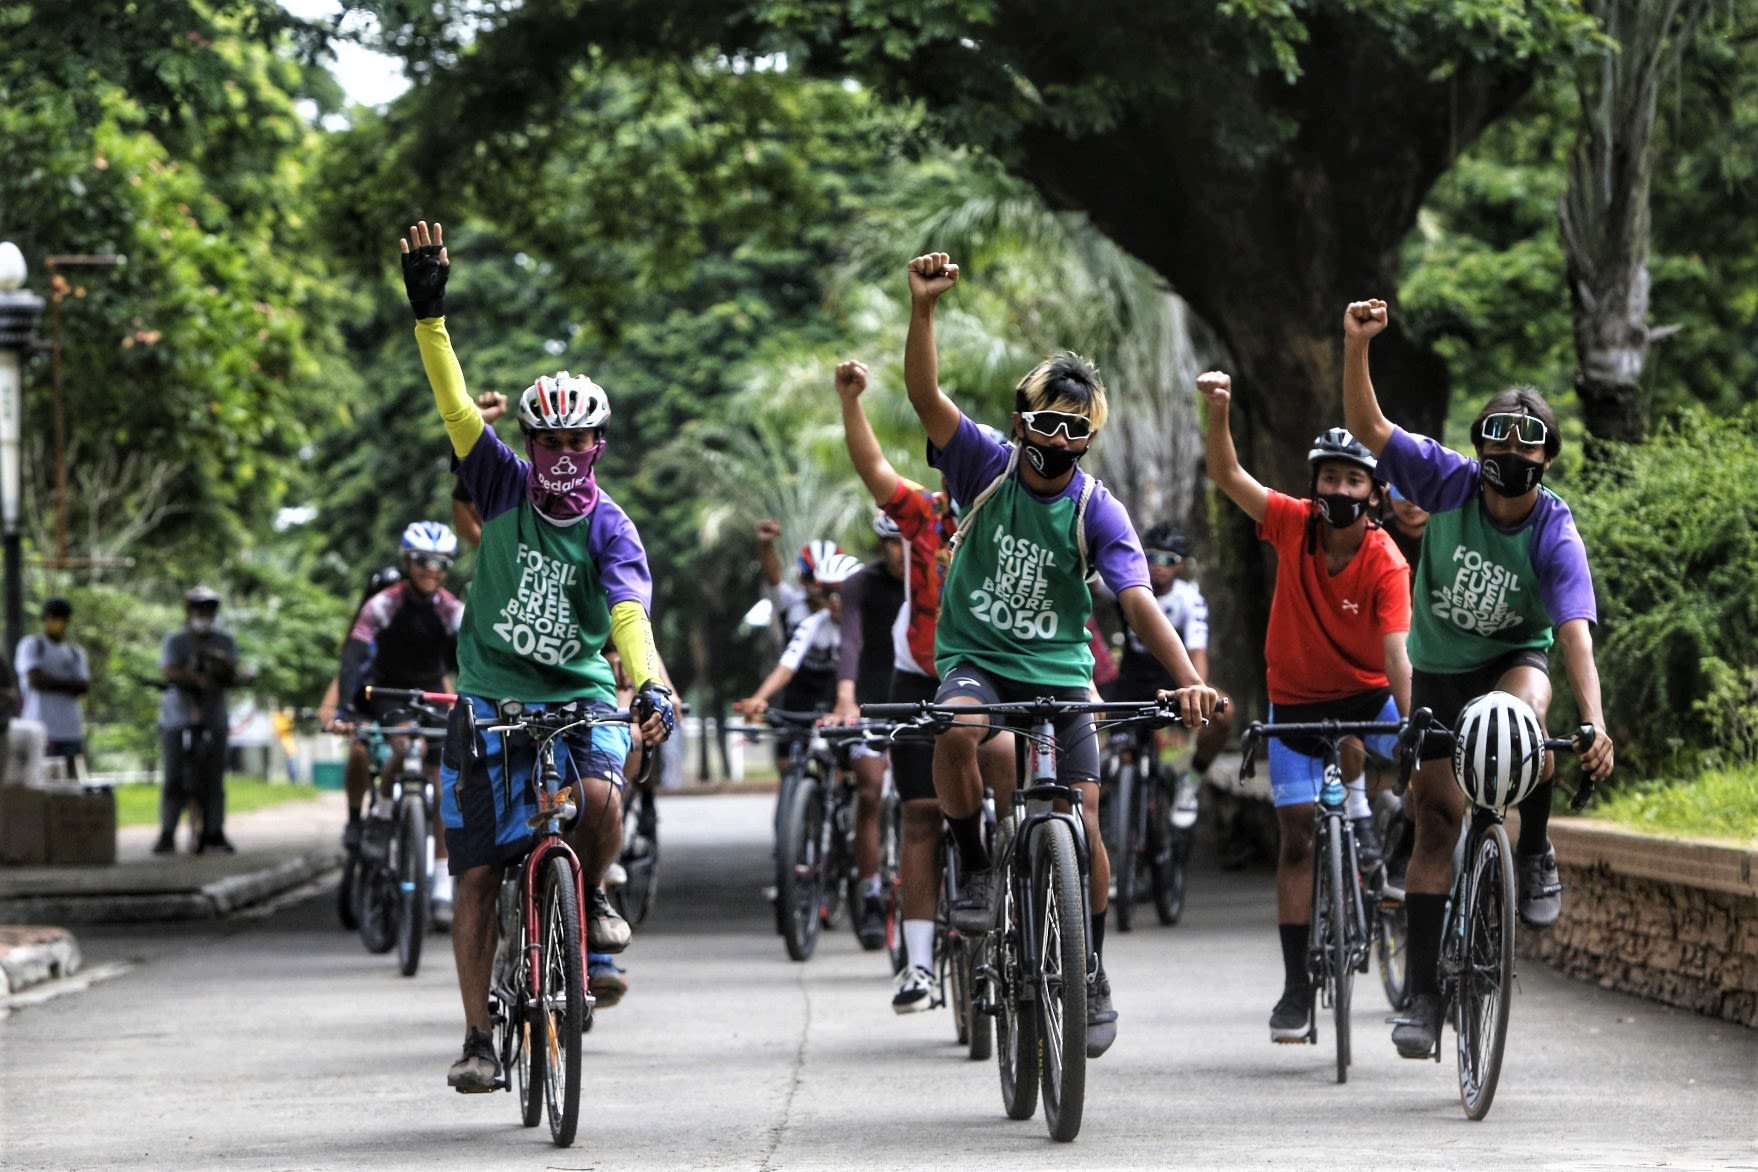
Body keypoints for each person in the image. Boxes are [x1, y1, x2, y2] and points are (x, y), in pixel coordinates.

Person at [903, 250, 1220, 1058]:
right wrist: (924, 309)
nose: (1058, 438)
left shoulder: (1097, 508)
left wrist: (1190, 681)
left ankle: (1091, 969)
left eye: (1075, 429)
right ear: (1021, 422)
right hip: (976, 659)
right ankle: (976, 862)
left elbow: (1137, 600)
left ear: (1089, 439)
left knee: (1085, 819)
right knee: (955, 729)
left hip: (1060, 674)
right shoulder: (982, 465)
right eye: (1046, 422)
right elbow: (926, 398)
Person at [399, 220, 677, 1093]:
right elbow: (454, 406)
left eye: (575, 442)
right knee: (480, 872)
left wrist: (650, 685)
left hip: (579, 695)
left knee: (601, 796)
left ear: (598, 445)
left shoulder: (612, 528)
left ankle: (588, 896)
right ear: (529, 443)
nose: (560, 455)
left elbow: (628, 615)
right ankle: (479, 1038)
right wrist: (430, 316)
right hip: (488, 698)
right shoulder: (499, 484)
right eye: (547, 442)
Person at [1341, 296, 1615, 1059]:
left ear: (1547, 458)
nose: (1511, 454)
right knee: (1436, 822)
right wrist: (1357, 346)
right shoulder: (1449, 482)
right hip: (1438, 671)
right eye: (1499, 437)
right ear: (1479, 445)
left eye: (1529, 443)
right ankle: (1424, 996)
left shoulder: (1553, 528)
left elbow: (1573, 633)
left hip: (1511, 661)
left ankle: (1534, 850)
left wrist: (1594, 721)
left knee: (1524, 717)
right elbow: (1370, 428)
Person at [1198, 371, 1413, 1041]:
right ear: (1314, 485)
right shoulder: (1291, 524)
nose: (1340, 491)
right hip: (1293, 704)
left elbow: (1398, 656)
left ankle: (1386, 840)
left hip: (1368, 698)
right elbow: (1227, 474)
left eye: (1354, 481)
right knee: (1296, 835)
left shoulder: (1387, 561)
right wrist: (1219, 411)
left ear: (1373, 493)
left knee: (1433, 769)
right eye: (1330, 478)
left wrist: (1414, 726)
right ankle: (1296, 988)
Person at [835, 357, 1017, 1012]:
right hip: (920, 675)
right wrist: (851, 402)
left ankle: (1019, 920)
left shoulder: (1017, 515)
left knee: (1009, 780)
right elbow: (873, 470)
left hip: (996, 673)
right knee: (919, 813)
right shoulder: (924, 514)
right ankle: (917, 966)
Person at [333, 521, 466, 926]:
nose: (432, 570)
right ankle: (383, 812)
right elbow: (354, 655)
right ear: (407, 562)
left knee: (446, 787)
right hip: (388, 691)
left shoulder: (450, 609)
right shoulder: (383, 604)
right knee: (408, 745)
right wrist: (345, 709)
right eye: (423, 561)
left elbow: (472, 659)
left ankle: (441, 888)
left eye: (441, 563)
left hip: (432, 692)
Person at [1104, 522, 1235, 829]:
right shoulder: (1123, 585)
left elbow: (1197, 651)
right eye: (1151, 556)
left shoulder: (1189, 599)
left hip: (1174, 684)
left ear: (1180, 565)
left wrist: (1198, 689)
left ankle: (1191, 782)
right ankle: (1117, 816)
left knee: (1225, 713)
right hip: (1131, 686)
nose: (1158, 565)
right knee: (1118, 759)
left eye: (1168, 559)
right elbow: (1088, 580)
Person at [828, 508, 908, 953]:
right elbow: (851, 641)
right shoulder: (860, 584)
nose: (901, 552)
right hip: (872, 698)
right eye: (892, 543)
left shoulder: (939, 576)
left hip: (925, 695)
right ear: (881, 545)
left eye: (907, 542)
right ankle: (871, 892)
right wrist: (846, 697)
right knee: (870, 789)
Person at [157, 586, 241, 854]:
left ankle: (215, 830)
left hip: (213, 715)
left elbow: (235, 671)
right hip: (178, 716)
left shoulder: (225, 641)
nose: (204, 615)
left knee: (214, 777)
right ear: (189, 611)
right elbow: (168, 670)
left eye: (209, 610)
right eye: (199, 609)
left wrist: (222, 664)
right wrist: (194, 679)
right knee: (173, 776)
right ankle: (167, 832)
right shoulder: (175, 641)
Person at [14, 597, 91, 777]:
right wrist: (68, 684)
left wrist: (51, 681)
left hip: (70, 730)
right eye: (54, 617)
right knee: (41, 779)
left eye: (63, 618)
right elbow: (36, 681)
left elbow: (84, 686)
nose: (58, 622)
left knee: (71, 781)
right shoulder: (33, 645)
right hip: (39, 728)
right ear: (45, 619)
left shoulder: (75, 652)